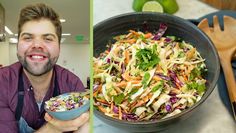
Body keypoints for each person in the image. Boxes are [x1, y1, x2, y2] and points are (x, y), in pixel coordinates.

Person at [0, 3, 89, 133]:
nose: (37, 45)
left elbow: (85, 125)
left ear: (59, 47)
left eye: (47, 38)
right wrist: (52, 128)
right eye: (28, 37)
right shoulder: (3, 82)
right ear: (18, 44)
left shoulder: (72, 84)